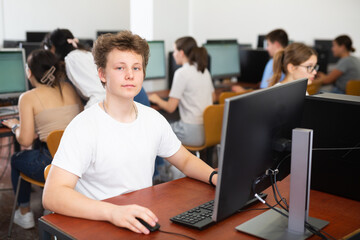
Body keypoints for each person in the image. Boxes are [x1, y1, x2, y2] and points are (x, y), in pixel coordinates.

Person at [42, 31, 218, 235]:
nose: (130, 75)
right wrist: (113, 212)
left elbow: (185, 161)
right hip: (98, 223)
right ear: (102, 74)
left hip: (139, 218)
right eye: (120, 68)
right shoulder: (84, 126)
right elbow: (52, 195)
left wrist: (214, 177)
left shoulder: (152, 119)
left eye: (136, 68)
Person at [2, 49, 83, 229]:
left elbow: (25, 140)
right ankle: (53, 202)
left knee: (16, 159)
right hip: (78, 163)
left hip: (52, 166)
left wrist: (15, 125)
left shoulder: (28, 97)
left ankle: (24, 214)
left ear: (29, 72)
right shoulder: (70, 88)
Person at [42, 28, 150, 108]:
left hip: (126, 100)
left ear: (54, 47)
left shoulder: (73, 59)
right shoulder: (84, 53)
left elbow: (98, 94)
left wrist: (86, 119)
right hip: (132, 97)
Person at [148, 36, 215, 147]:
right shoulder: (204, 70)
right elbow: (213, 97)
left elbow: (170, 108)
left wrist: (156, 99)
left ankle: (162, 164)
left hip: (191, 133)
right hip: (208, 131)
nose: (173, 54)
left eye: (175, 50)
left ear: (181, 53)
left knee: (156, 130)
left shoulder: (182, 73)